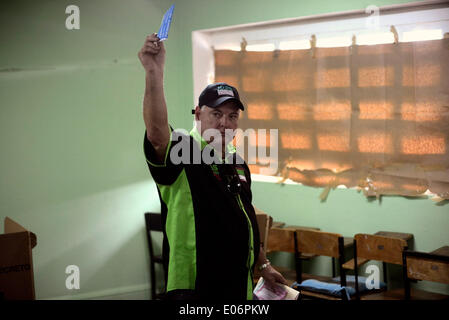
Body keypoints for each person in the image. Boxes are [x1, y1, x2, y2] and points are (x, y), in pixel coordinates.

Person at [138, 33, 286, 300]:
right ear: (197, 113)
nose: (225, 123)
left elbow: (245, 218)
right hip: (196, 287)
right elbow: (156, 134)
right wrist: (153, 72)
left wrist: (263, 265)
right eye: (216, 114)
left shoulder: (237, 163)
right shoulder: (183, 152)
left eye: (232, 116)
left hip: (238, 285)